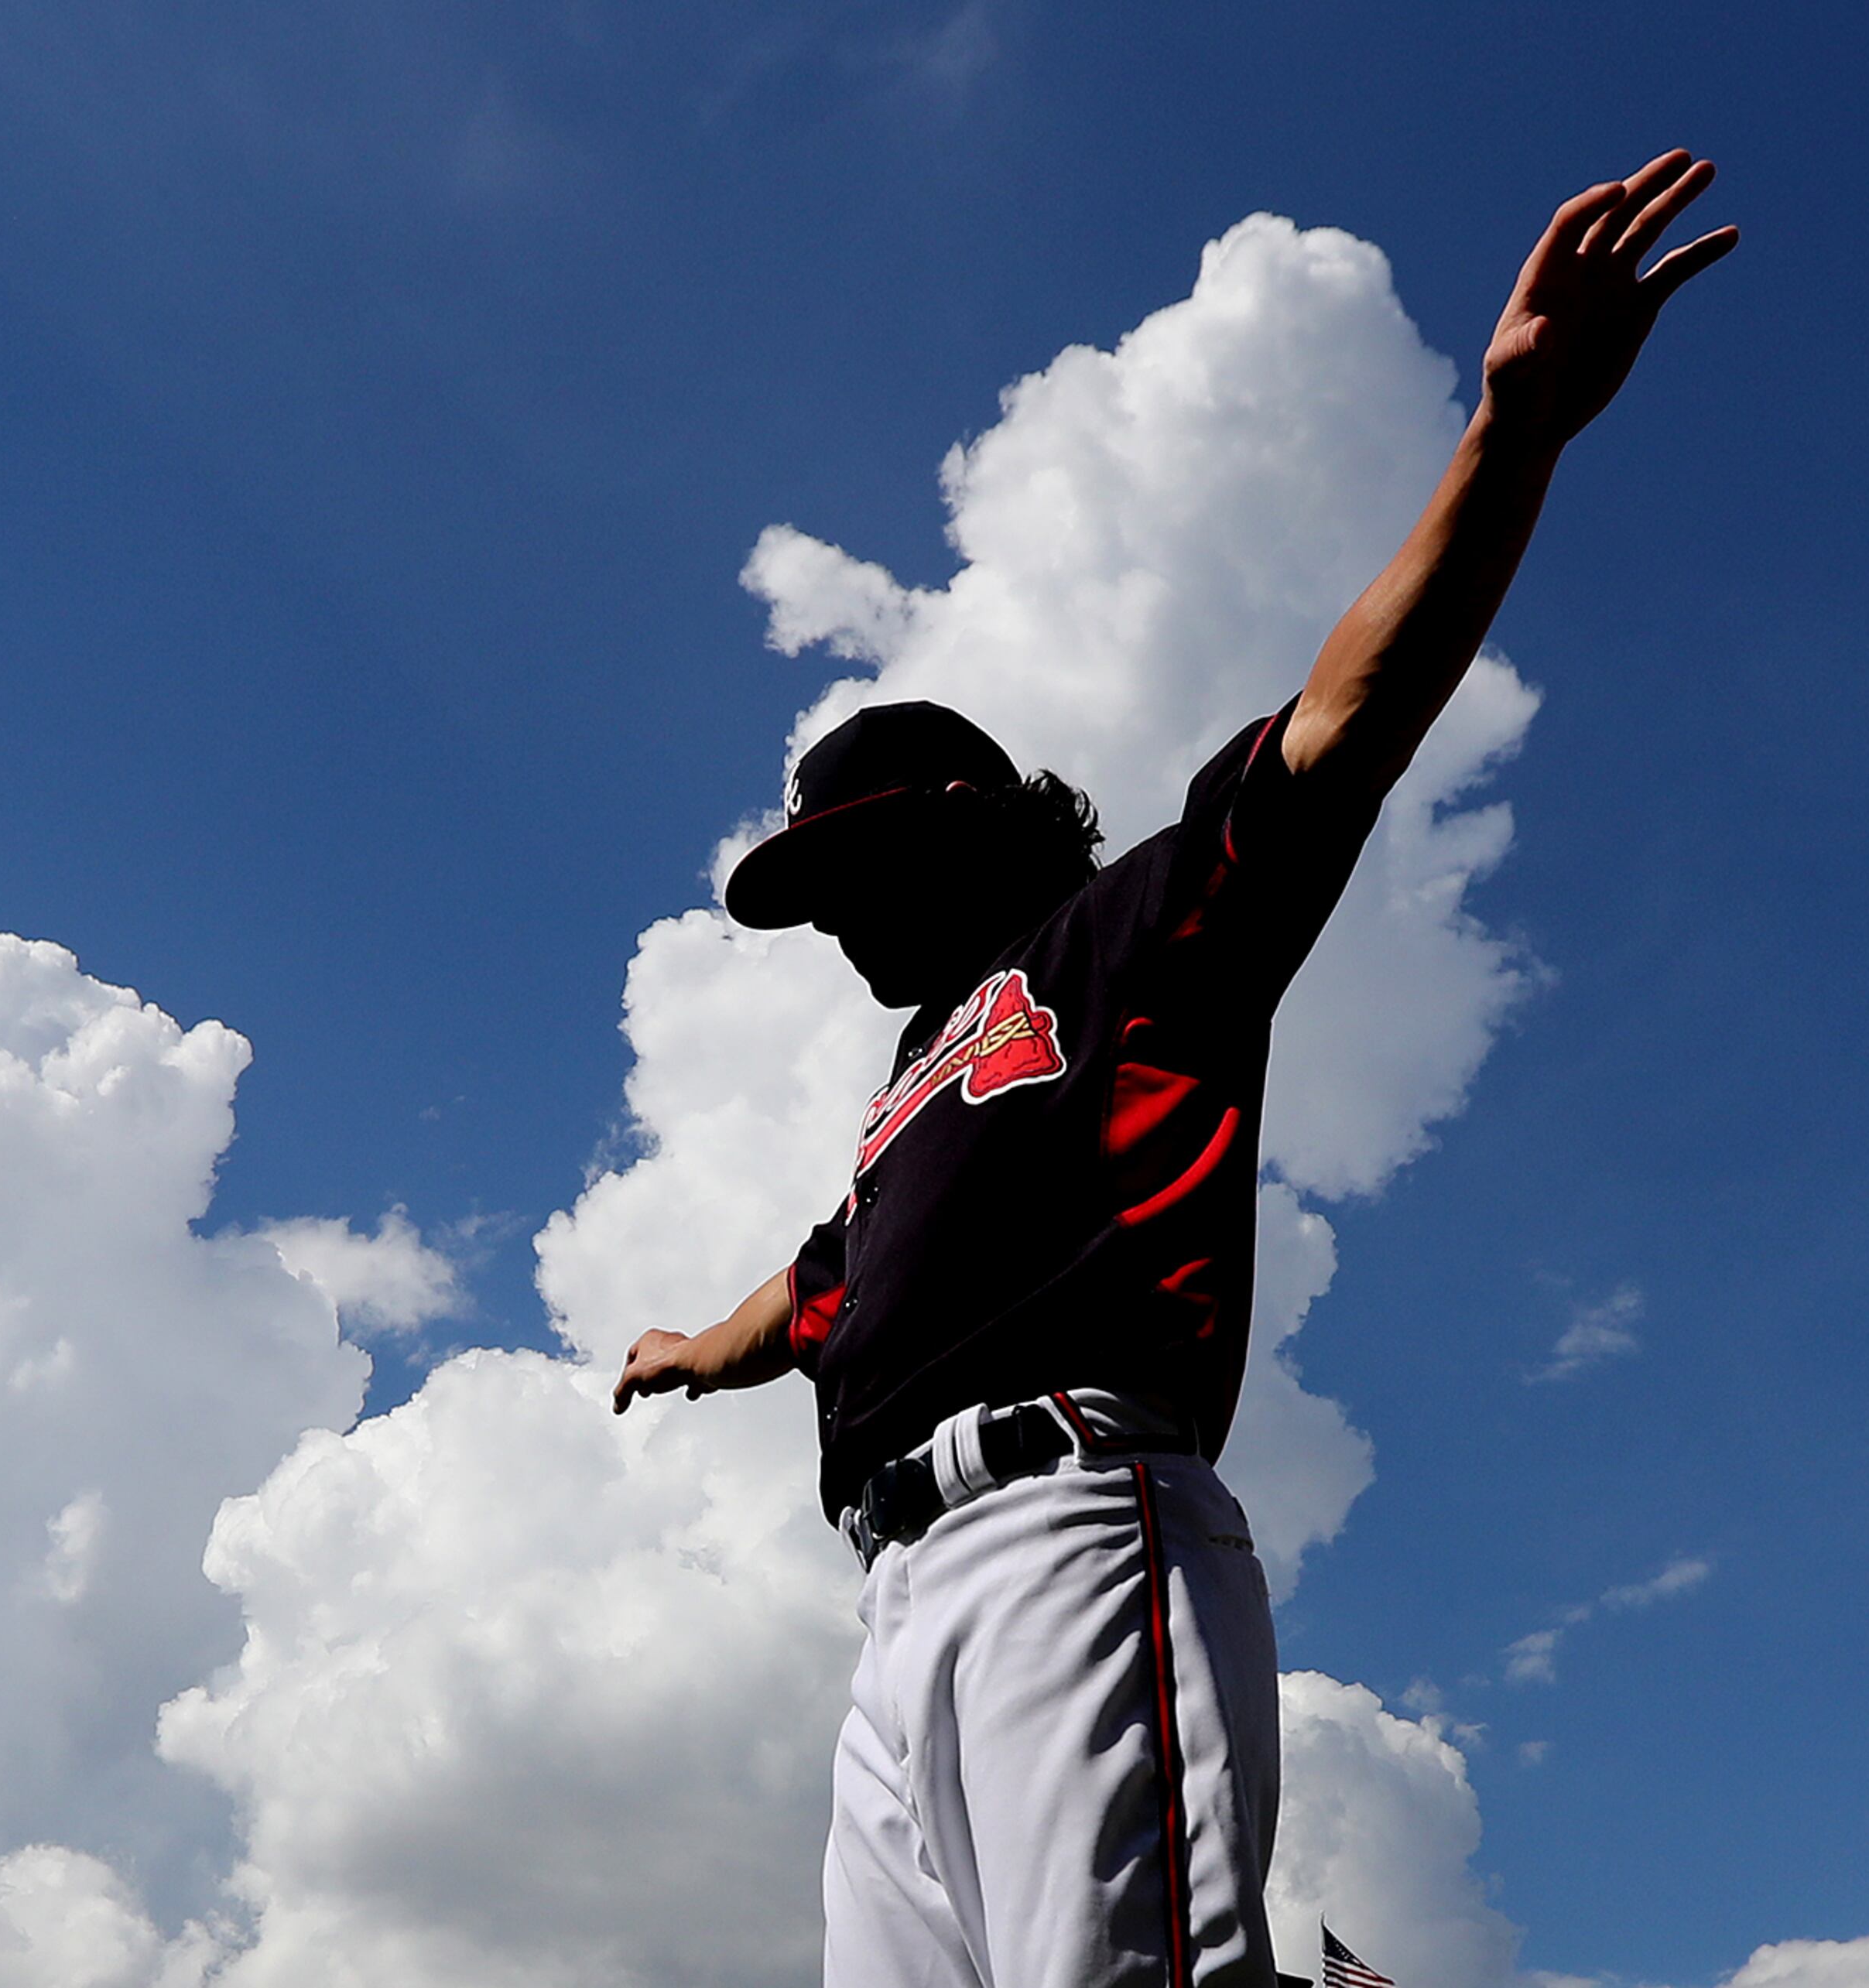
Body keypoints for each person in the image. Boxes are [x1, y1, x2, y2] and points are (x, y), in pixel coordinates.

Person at [612, 153, 1737, 1988]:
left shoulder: (1125, 936)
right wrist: (687, 1350)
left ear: (973, 821)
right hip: (893, 1601)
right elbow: (812, 1285)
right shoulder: (914, 1087)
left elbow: (1348, 722)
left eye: (850, 873)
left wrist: (1513, 433)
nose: (827, 922)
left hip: (1071, 1525)